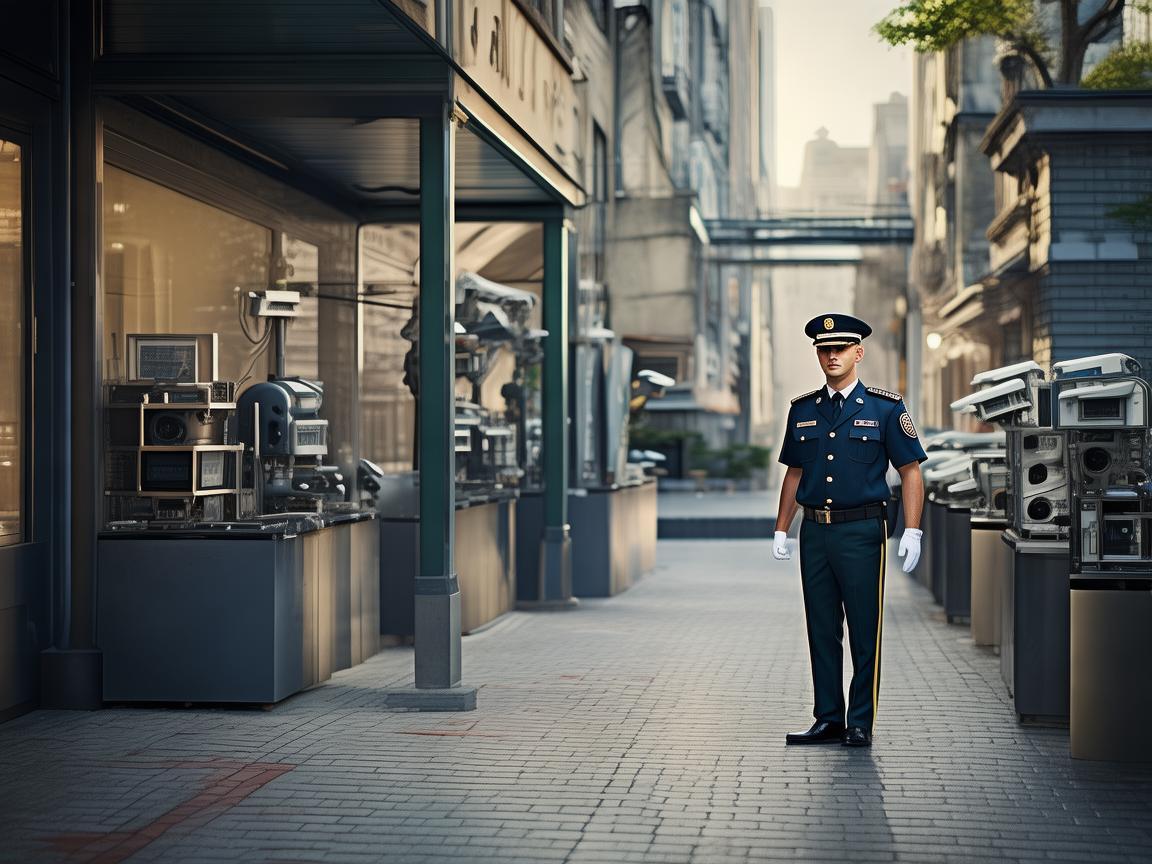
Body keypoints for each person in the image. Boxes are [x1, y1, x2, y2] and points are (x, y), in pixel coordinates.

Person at [773, 313, 926, 748]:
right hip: (815, 534)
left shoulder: (884, 408)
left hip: (862, 531)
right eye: (824, 349)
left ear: (858, 353)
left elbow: (911, 471)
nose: (832, 356)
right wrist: (782, 528)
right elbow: (795, 473)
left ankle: (860, 721)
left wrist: (912, 530)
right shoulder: (803, 410)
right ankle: (828, 717)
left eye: (840, 349)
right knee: (821, 627)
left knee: (863, 628)